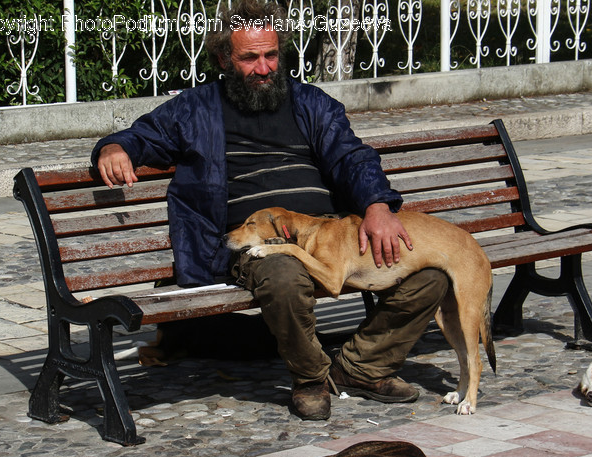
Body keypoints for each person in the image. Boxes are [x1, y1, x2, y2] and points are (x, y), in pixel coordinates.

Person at [92, 0, 448, 421]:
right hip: (252, 244)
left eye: (271, 55)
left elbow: (352, 156)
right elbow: (138, 136)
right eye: (249, 58)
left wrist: (377, 204)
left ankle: (361, 368)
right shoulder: (194, 110)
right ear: (224, 58)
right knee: (283, 275)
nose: (264, 68)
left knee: (429, 276)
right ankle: (312, 378)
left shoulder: (311, 104)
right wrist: (114, 149)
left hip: (329, 236)